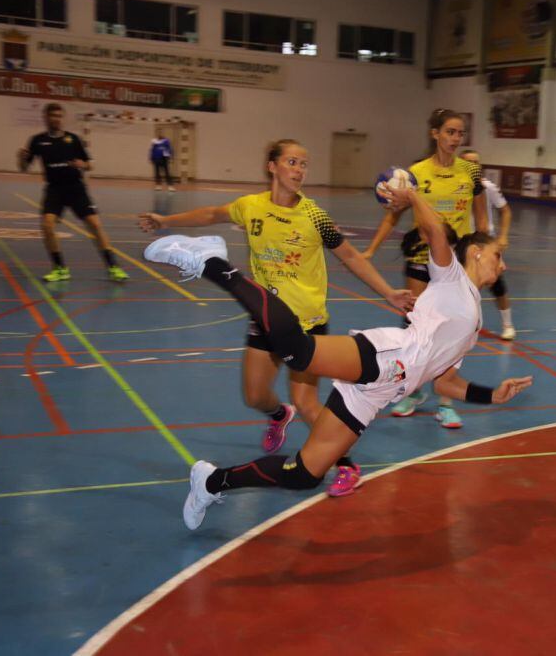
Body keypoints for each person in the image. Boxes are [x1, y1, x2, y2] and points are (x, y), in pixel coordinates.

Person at [142, 180, 532, 530]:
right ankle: (213, 263)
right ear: (476, 252)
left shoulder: (474, 317)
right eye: (498, 254)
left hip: (379, 393)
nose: (504, 262)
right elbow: (433, 231)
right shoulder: (451, 276)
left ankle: (211, 482)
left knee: (304, 474)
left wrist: (490, 395)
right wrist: (412, 194)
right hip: (391, 355)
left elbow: (446, 380)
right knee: (299, 353)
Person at [138, 139, 414, 498]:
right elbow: (211, 215)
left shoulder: (315, 216)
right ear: (272, 166)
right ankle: (277, 416)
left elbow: (350, 256)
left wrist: (389, 293)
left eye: (304, 164)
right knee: (254, 396)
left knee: (307, 403)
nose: (299, 170)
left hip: (308, 325)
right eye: (292, 162)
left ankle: (346, 465)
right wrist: (165, 220)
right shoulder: (250, 207)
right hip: (266, 317)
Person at [362, 109, 489, 428]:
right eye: (449, 132)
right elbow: (394, 214)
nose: (455, 139)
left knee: (453, 331)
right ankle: (412, 390)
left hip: (455, 262)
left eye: (460, 133)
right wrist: (371, 249)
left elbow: (482, 216)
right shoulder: (414, 173)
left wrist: (486, 248)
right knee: (416, 326)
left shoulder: (471, 172)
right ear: (435, 134)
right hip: (420, 256)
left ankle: (445, 402)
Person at [17, 102, 128, 283]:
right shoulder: (37, 141)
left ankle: (113, 267)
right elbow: (23, 168)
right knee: (47, 225)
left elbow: (90, 164)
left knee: (95, 225)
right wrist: (20, 158)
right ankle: (60, 269)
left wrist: (82, 164)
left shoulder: (73, 139)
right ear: (45, 118)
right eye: (53, 116)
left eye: (59, 116)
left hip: (76, 188)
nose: (56, 119)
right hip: (54, 189)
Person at [460, 148, 516, 340]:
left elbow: (506, 211)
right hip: (463, 243)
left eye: (477, 162)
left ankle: (508, 324)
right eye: (469, 162)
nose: (474, 166)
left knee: (497, 284)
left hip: (485, 242)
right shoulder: (456, 185)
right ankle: (467, 324)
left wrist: (503, 236)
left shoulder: (488, 187)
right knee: (465, 285)